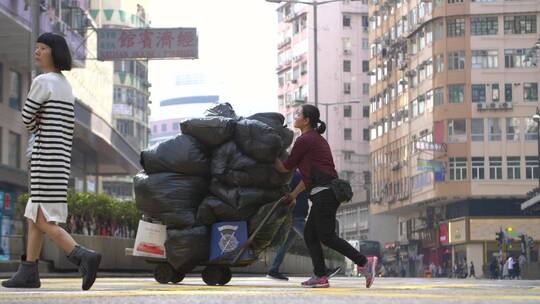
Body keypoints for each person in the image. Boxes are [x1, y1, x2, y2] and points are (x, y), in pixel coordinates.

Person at [1, 33, 101, 290]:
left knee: (44, 220)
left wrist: (36, 123)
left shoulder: (42, 81)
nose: (38, 51)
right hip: (59, 159)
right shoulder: (65, 85)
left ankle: (82, 255)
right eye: (37, 47)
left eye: (43, 48)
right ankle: (29, 272)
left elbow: (25, 118)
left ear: (53, 53)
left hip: (43, 156)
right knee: (35, 216)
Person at [274, 104, 376, 288]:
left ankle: (363, 262)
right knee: (311, 235)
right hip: (326, 193)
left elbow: (285, 167)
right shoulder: (316, 139)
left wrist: (269, 154)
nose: (295, 117)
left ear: (306, 120)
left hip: (325, 194)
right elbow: (308, 179)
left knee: (326, 236)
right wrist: (293, 195)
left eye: (298, 115)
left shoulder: (305, 140)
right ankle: (320, 275)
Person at [266, 171, 341, 281]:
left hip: (294, 216)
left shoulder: (297, 176)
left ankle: (273, 270)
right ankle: (323, 270)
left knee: (285, 245)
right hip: (296, 217)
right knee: (312, 240)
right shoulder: (297, 177)